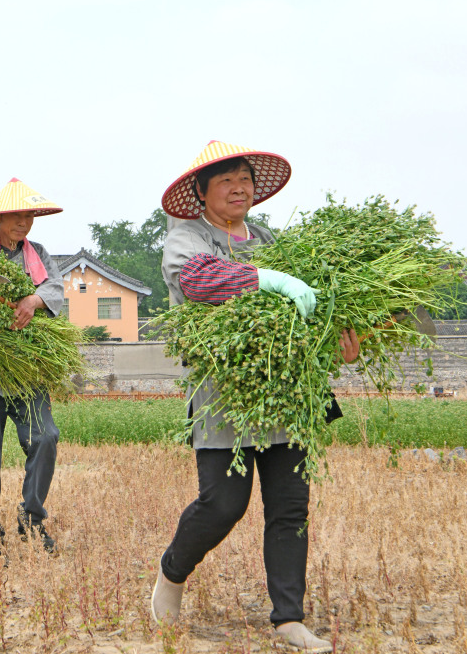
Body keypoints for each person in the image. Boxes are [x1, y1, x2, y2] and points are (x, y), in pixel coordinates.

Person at [150, 142, 359, 653]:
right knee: (223, 504)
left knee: (290, 508)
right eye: (225, 180)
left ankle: (289, 617)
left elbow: (304, 316)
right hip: (225, 395)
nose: (239, 187)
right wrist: (269, 279)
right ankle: (172, 573)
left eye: (244, 178)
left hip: (287, 393)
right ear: (201, 192)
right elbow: (197, 281)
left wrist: (340, 344)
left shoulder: (269, 238)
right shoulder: (186, 239)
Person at [0, 177, 65, 568]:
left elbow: (55, 288)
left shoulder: (37, 254)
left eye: (30, 215)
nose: (24, 221)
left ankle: (31, 517)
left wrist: (35, 298)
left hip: (27, 372)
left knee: (46, 437)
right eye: (17, 215)